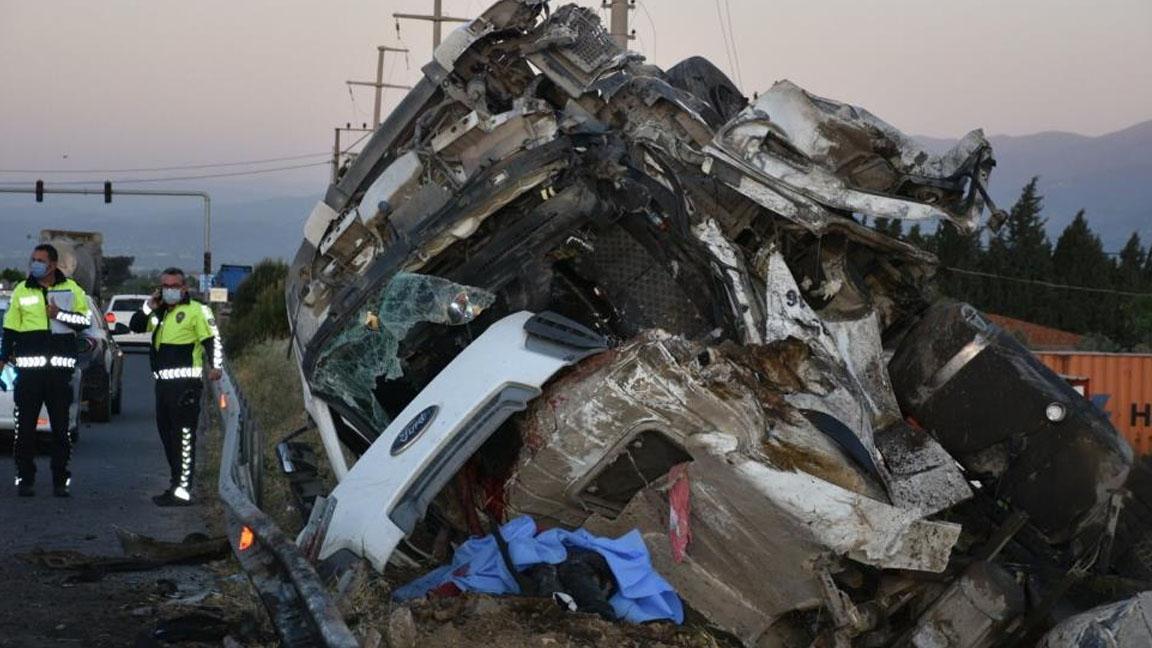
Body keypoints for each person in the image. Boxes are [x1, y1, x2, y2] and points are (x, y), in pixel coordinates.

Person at [0, 244, 92, 497]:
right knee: (25, 430)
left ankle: (60, 481)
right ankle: (25, 478)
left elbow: (84, 322)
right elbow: (10, 329)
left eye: (40, 260)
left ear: (53, 265)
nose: (34, 264)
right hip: (29, 374)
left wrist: (60, 314)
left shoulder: (72, 289)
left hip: (60, 375)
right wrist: (2, 358)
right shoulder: (21, 290)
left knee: (61, 431)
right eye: (33, 260)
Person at [130, 267, 221, 506]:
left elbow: (213, 340)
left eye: (174, 286)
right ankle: (175, 483)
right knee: (167, 437)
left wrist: (215, 367)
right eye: (165, 286)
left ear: (184, 288)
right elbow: (136, 325)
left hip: (185, 386)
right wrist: (149, 305)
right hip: (163, 386)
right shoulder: (160, 313)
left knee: (183, 437)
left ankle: (183, 490)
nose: (169, 290)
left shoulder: (197, 311)